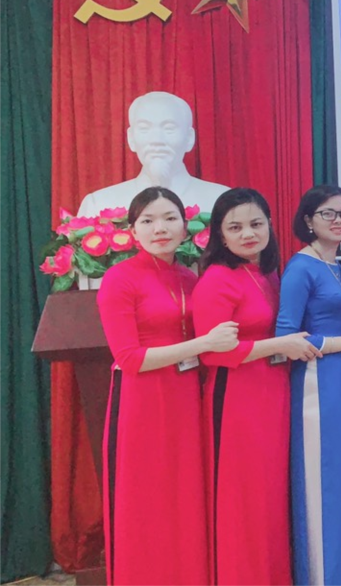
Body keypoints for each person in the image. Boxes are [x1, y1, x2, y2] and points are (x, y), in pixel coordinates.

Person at [96, 187, 235, 586]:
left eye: (170, 218)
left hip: (188, 399)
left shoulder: (190, 278)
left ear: (186, 227)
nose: (160, 228)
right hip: (143, 403)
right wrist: (203, 344)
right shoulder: (119, 279)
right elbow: (129, 358)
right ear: (132, 231)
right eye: (148, 220)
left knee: (186, 498)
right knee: (147, 503)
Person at [195, 188, 320, 586]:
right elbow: (212, 353)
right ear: (220, 234)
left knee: (270, 499)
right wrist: (279, 346)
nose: (248, 234)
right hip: (236, 399)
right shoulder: (217, 280)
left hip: (273, 394)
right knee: (243, 503)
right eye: (235, 228)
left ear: (270, 224)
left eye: (256, 223)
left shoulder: (268, 272)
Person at [277, 185, 341, 586]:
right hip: (317, 383)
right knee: (326, 484)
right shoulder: (301, 267)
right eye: (328, 213)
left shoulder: (335, 264)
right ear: (308, 220)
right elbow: (286, 337)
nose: (339, 220)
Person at [78, 92, 228, 217]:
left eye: (169, 128)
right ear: (131, 138)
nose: (157, 140)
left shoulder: (220, 201)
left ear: (189, 138)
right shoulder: (99, 204)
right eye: (144, 128)